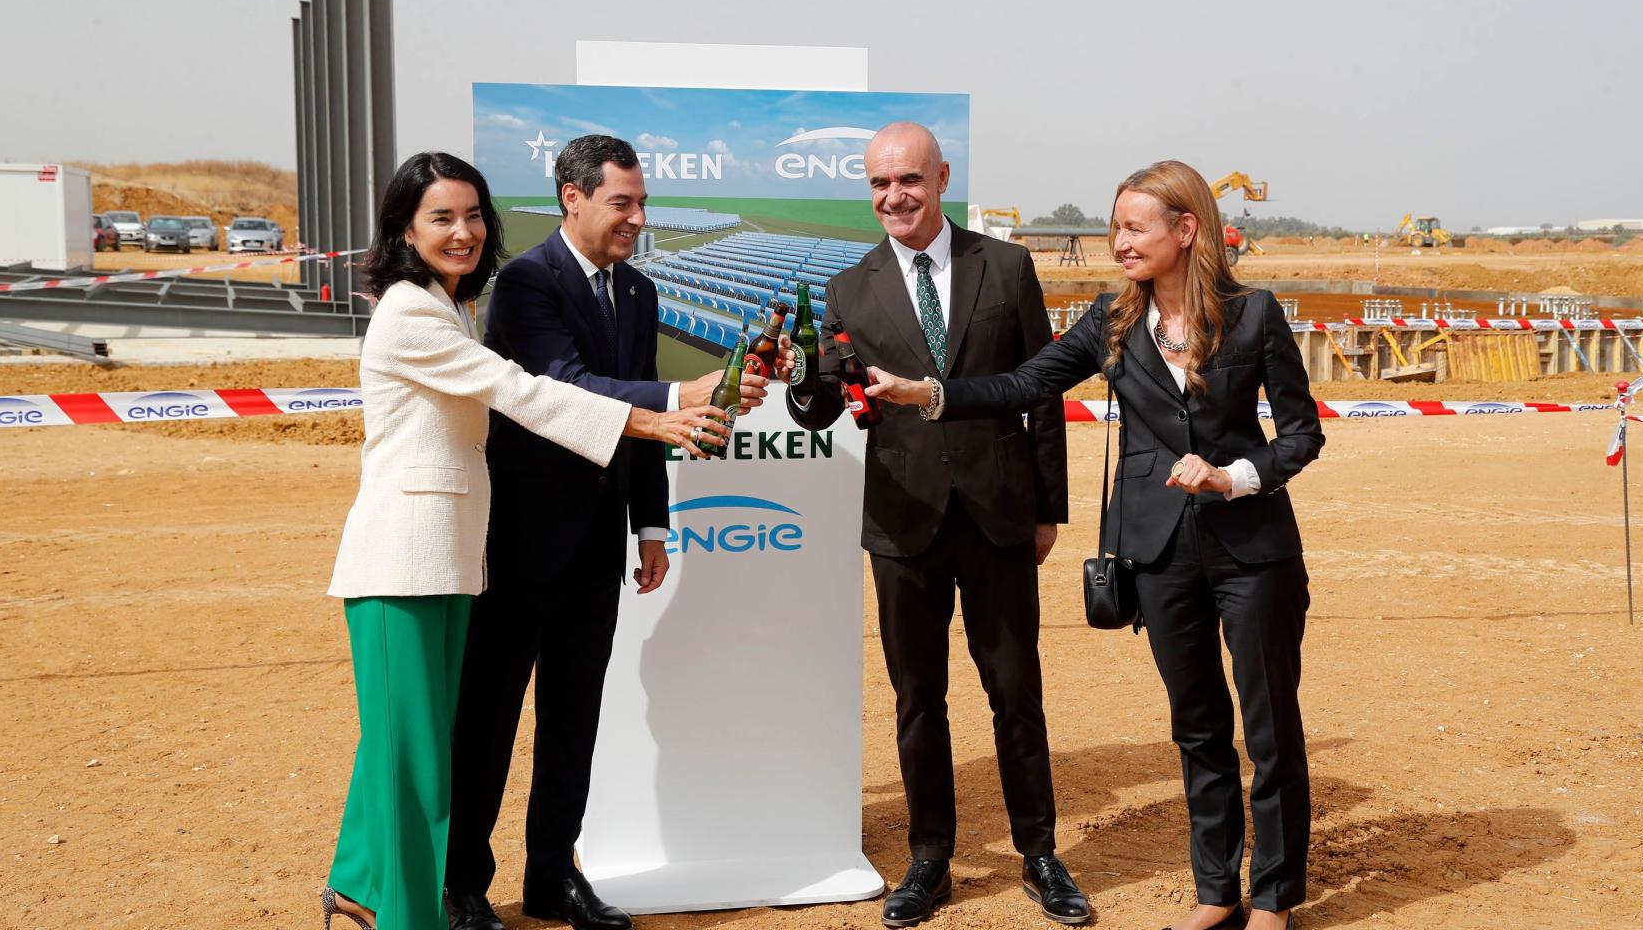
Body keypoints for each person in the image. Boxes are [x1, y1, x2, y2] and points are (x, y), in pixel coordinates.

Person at [865, 159, 1324, 930]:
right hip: (1157, 553)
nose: (1118, 243)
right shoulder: (1111, 322)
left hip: (1254, 553)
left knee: (1270, 729)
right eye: (1115, 228)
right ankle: (1217, 892)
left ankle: (1274, 898)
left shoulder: (1255, 315)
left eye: (1133, 228)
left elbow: (1301, 433)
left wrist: (1234, 474)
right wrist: (932, 395)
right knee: (1197, 727)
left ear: (1186, 230)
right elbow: (1022, 384)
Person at [320, 152, 723, 930]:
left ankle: (492, 880)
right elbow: (526, 389)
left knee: (456, 739)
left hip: (478, 554)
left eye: (473, 216)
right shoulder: (457, 300)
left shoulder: (453, 305)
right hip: (466, 551)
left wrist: (650, 518)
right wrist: (663, 408)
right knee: (445, 743)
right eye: (442, 217)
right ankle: (445, 891)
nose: (464, 232)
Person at [443, 134, 781, 930]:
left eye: (641, 203)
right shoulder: (525, 283)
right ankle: (462, 884)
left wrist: (652, 526)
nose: (635, 218)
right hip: (519, 543)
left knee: (574, 718)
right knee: (488, 722)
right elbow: (566, 387)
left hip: (596, 547)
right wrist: (675, 389)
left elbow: (648, 430)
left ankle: (554, 877)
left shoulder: (638, 292)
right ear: (573, 196)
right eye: (620, 202)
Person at [783, 121, 1085, 927]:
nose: (894, 197)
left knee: (1016, 691)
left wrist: (1047, 508)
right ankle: (930, 858)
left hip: (997, 517)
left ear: (942, 177)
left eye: (908, 180)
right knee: (919, 699)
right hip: (901, 519)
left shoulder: (1009, 266)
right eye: (879, 185)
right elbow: (827, 404)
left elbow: (1042, 389)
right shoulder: (849, 287)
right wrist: (801, 383)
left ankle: (1040, 854)